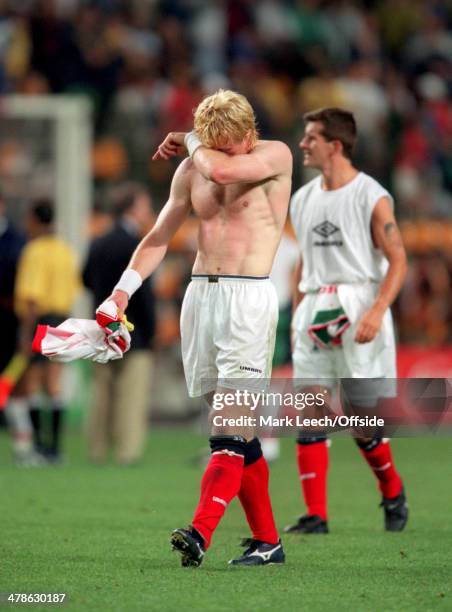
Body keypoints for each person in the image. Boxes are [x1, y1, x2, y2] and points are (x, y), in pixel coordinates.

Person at [107, 89, 292, 567]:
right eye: (218, 143)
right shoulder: (193, 166)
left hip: (247, 300)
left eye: (233, 142)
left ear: (250, 134)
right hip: (201, 299)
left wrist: (190, 140)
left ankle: (200, 532)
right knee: (241, 431)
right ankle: (268, 542)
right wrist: (122, 291)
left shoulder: (273, 155)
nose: (227, 152)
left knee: (227, 427)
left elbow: (225, 170)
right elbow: (158, 236)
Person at [286, 107, 409, 535]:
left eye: (311, 138)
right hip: (316, 305)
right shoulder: (302, 199)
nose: (303, 144)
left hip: (358, 302)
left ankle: (392, 490)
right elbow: (302, 262)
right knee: (310, 410)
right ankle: (315, 515)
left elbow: (398, 260)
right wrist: (297, 309)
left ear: (335, 145)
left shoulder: (370, 195)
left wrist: (377, 309)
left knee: (361, 419)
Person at [83, 183, 156, 464]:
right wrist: (149, 331)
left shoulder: (98, 241)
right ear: (132, 208)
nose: (147, 211)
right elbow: (145, 294)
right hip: (133, 330)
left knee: (101, 393)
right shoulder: (139, 246)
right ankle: (127, 451)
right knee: (131, 395)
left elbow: (85, 278)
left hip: (102, 328)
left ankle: (96, 449)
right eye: (144, 205)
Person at [14, 200, 81, 463]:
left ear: (34, 220)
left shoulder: (34, 251)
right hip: (62, 319)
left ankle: (38, 448)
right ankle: (55, 450)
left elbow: (32, 297)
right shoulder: (65, 251)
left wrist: (24, 333)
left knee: (32, 385)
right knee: (54, 386)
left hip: (39, 319)